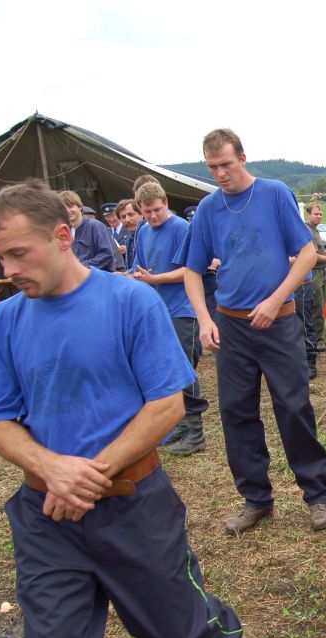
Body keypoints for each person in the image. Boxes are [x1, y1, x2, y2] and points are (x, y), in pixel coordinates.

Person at [0, 180, 248, 638]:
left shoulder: (129, 301)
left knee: (183, 630)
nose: (8, 271)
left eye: (18, 254)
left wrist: (86, 477)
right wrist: (53, 470)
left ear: (62, 236)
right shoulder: (5, 321)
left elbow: (167, 405)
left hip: (131, 506)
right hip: (47, 515)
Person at [181, 128, 326, 534]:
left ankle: (316, 494)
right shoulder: (208, 209)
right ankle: (256, 499)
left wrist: (275, 299)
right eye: (212, 167)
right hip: (231, 325)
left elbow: (306, 254)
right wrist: (205, 319)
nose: (220, 174)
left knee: (294, 407)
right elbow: (192, 271)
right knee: (236, 412)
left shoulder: (274, 193)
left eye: (226, 164)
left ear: (243, 158)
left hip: (279, 320)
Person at [131, 182, 209, 455]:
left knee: (184, 370)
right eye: (147, 212)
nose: (153, 216)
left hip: (183, 310)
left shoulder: (180, 228)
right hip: (158, 311)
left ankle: (195, 432)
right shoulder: (143, 232)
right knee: (167, 372)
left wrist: (155, 279)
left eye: (157, 209)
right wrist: (128, 276)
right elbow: (140, 268)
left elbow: (191, 270)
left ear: (166, 203)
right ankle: (179, 426)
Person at [59, 191, 117, 272]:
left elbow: (107, 255)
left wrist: (81, 266)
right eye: (64, 208)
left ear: (80, 207)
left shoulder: (95, 226)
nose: (68, 211)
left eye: (70, 206)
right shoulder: (66, 231)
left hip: (97, 276)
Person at [306, 202, 326, 354]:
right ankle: (318, 341)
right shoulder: (307, 230)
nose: (319, 216)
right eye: (316, 214)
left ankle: (317, 338)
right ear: (308, 215)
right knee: (317, 306)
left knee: (321, 305)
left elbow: (317, 253)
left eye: (320, 214)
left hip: (321, 272)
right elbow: (311, 255)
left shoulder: (315, 230)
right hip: (314, 273)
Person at [115, 198, 142, 268]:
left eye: (131, 214)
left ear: (142, 214)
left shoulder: (149, 236)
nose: (127, 220)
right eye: (123, 217)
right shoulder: (128, 239)